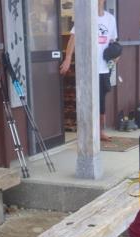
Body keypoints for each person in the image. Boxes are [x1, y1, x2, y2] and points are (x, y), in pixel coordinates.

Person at [59, 0, 118, 142]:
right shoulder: (84, 17)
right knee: (85, 100)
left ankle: (100, 131)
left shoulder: (110, 19)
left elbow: (113, 42)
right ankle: (86, 131)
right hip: (86, 68)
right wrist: (68, 58)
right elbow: (73, 38)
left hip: (103, 68)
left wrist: (116, 56)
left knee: (101, 102)